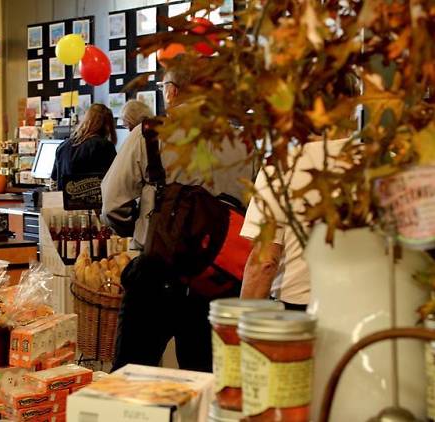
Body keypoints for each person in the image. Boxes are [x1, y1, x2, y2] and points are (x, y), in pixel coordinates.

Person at [101, 66, 252, 372]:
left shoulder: (147, 134)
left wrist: (144, 225)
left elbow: (112, 204)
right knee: (207, 382)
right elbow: (251, 210)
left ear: (171, 90)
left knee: (131, 375)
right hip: (217, 278)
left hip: (156, 270)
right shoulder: (243, 142)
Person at [240, 139, 349, 311]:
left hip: (299, 310)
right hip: (366, 304)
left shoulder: (281, 164)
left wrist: (243, 325)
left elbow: (265, 262)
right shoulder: (374, 156)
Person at [51, 103, 117, 190]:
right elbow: (115, 180)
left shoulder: (63, 146)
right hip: (94, 201)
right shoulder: (105, 146)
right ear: (107, 126)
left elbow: (54, 182)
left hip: (66, 201)